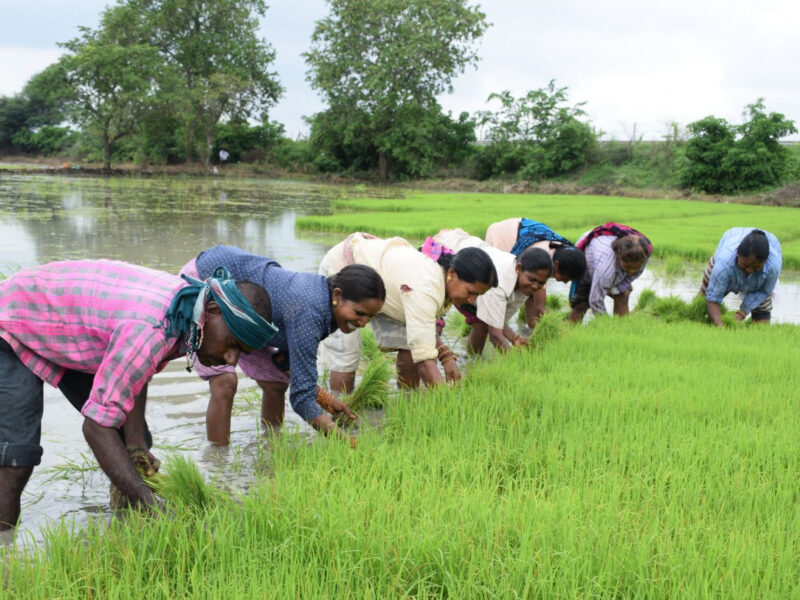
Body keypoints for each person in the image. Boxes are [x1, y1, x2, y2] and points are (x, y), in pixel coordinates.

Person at [0, 259, 276, 530]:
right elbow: (96, 427)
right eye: (231, 344)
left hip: (68, 329)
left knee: (132, 442)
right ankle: (7, 550)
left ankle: (124, 532)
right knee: (16, 459)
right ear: (213, 311)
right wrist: (152, 506)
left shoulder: (187, 310)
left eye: (241, 353)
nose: (231, 359)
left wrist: (136, 445)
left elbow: (137, 371)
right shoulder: (153, 326)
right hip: (13, 317)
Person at [183, 245, 386, 444]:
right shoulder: (311, 312)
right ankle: (218, 460)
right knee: (224, 381)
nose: (363, 323)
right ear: (337, 296)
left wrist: (328, 401)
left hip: (255, 319)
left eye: (371, 316)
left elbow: (285, 363)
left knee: (275, 383)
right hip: (213, 283)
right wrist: (350, 443)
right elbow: (302, 400)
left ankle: (271, 446)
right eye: (359, 313)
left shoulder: (331, 315)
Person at [319, 232, 498, 392]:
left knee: (410, 345)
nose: (472, 300)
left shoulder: (444, 283)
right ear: (452, 274)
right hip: (347, 266)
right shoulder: (426, 286)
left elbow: (421, 330)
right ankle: (340, 406)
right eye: (471, 292)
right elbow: (425, 359)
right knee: (346, 354)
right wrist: (448, 404)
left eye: (477, 295)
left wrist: (446, 356)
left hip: (385, 281)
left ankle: (408, 398)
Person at [431, 228, 552, 355]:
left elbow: (496, 320)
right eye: (532, 279)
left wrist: (515, 338)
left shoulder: (523, 286)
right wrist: (515, 360)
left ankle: (472, 360)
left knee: (481, 324)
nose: (535, 286)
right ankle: (431, 362)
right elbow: (495, 335)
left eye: (541, 283)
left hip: (467, 264)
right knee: (434, 323)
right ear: (519, 268)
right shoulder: (499, 284)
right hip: (442, 248)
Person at [485, 217, 586, 327]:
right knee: (500, 287)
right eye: (566, 277)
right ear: (556, 265)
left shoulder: (567, 253)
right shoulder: (544, 260)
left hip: (522, 230)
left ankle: (530, 327)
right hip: (502, 235)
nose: (566, 282)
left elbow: (533, 297)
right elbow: (540, 308)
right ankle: (490, 326)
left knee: (530, 289)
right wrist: (558, 328)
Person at [567, 222, 652, 322]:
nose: (631, 272)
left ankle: (623, 328)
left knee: (623, 294)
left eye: (635, 268)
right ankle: (570, 327)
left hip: (605, 261)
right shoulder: (606, 268)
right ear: (619, 257)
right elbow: (595, 301)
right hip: (588, 262)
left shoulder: (644, 257)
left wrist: (620, 287)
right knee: (582, 304)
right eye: (627, 268)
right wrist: (606, 323)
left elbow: (633, 275)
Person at [699, 228, 782, 326]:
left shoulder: (772, 266)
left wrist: (741, 314)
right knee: (703, 301)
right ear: (737, 254)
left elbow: (763, 291)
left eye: (756, 267)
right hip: (727, 266)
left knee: (762, 315)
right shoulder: (723, 263)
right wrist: (720, 328)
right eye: (745, 265)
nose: (749, 270)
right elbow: (713, 298)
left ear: (765, 262)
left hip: (759, 278)